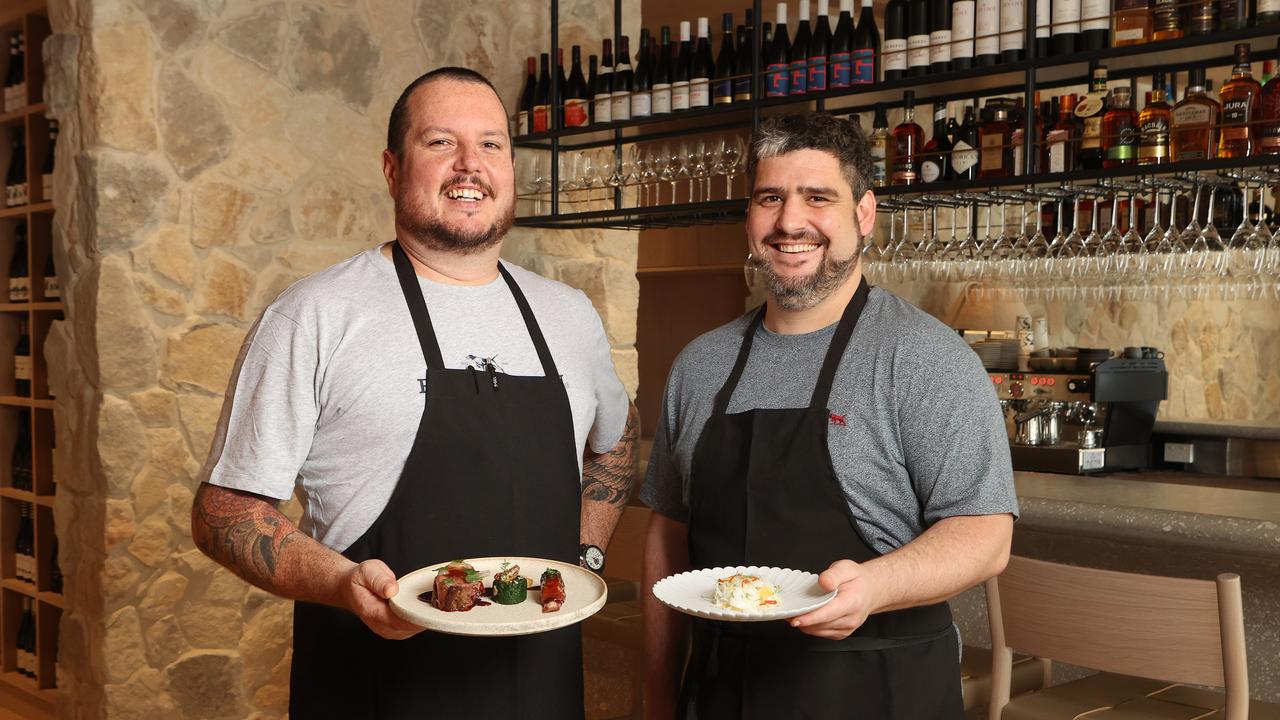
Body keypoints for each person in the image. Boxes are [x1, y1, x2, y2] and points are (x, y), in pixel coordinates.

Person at [190, 67, 639, 720]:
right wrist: (344, 584)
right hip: (376, 688)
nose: (470, 165)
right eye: (439, 143)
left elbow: (616, 437)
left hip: (542, 691)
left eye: (491, 144)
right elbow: (221, 513)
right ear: (393, 169)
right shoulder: (316, 314)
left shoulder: (569, 316)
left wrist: (585, 551)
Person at [640, 112, 1017, 720]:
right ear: (749, 217)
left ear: (863, 215)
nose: (791, 222)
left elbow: (985, 537)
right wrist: (657, 698)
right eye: (771, 198)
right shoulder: (700, 364)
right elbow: (668, 534)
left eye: (818, 198)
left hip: (877, 689)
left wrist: (873, 587)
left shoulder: (924, 357)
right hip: (720, 693)